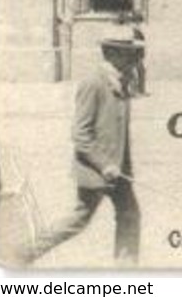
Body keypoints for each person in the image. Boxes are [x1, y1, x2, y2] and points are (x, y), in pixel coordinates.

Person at [18, 34, 142, 266]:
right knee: (79, 219)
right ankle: (24, 252)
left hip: (119, 173)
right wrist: (105, 165)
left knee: (130, 216)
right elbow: (80, 135)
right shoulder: (93, 83)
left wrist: (123, 168)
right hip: (97, 171)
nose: (134, 57)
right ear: (112, 54)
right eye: (128, 53)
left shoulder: (122, 81)